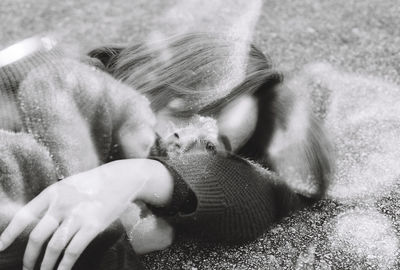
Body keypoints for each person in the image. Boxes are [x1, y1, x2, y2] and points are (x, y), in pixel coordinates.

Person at [0, 33, 332, 270]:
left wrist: (140, 175)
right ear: (160, 76)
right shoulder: (52, 80)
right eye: (191, 113)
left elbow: (268, 193)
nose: (181, 140)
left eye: (209, 146)